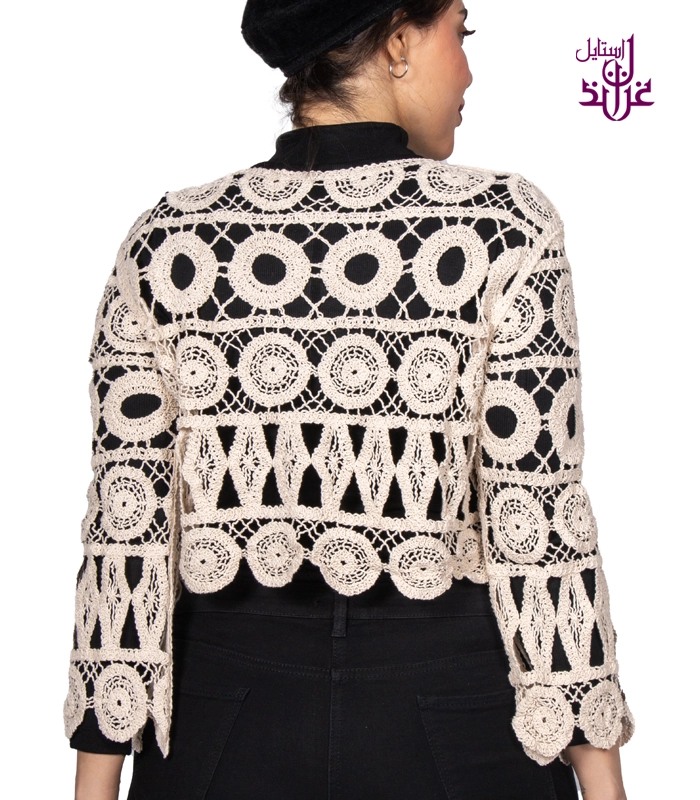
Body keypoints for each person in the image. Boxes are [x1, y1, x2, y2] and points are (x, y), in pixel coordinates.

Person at [66, 1, 634, 798]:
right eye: (460, 32)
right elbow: (537, 517)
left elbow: (126, 526)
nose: (468, 71)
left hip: (219, 722)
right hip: (455, 721)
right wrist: (605, 784)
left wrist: (93, 785)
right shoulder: (504, 229)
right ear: (398, 41)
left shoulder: (167, 242)